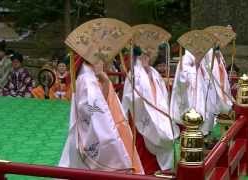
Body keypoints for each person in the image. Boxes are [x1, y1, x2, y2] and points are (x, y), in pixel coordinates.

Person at [59, 18, 143, 174]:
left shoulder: (91, 75)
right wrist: (111, 140)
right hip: (96, 133)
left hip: (99, 127)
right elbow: (93, 112)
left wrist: (104, 81)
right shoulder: (87, 79)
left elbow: (100, 105)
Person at [122, 45, 179, 174]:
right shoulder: (134, 74)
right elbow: (131, 97)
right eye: (143, 55)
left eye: (149, 54)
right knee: (143, 146)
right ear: (137, 56)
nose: (147, 58)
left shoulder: (154, 72)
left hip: (158, 113)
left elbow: (162, 94)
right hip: (141, 115)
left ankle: (163, 170)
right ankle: (145, 172)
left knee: (165, 136)